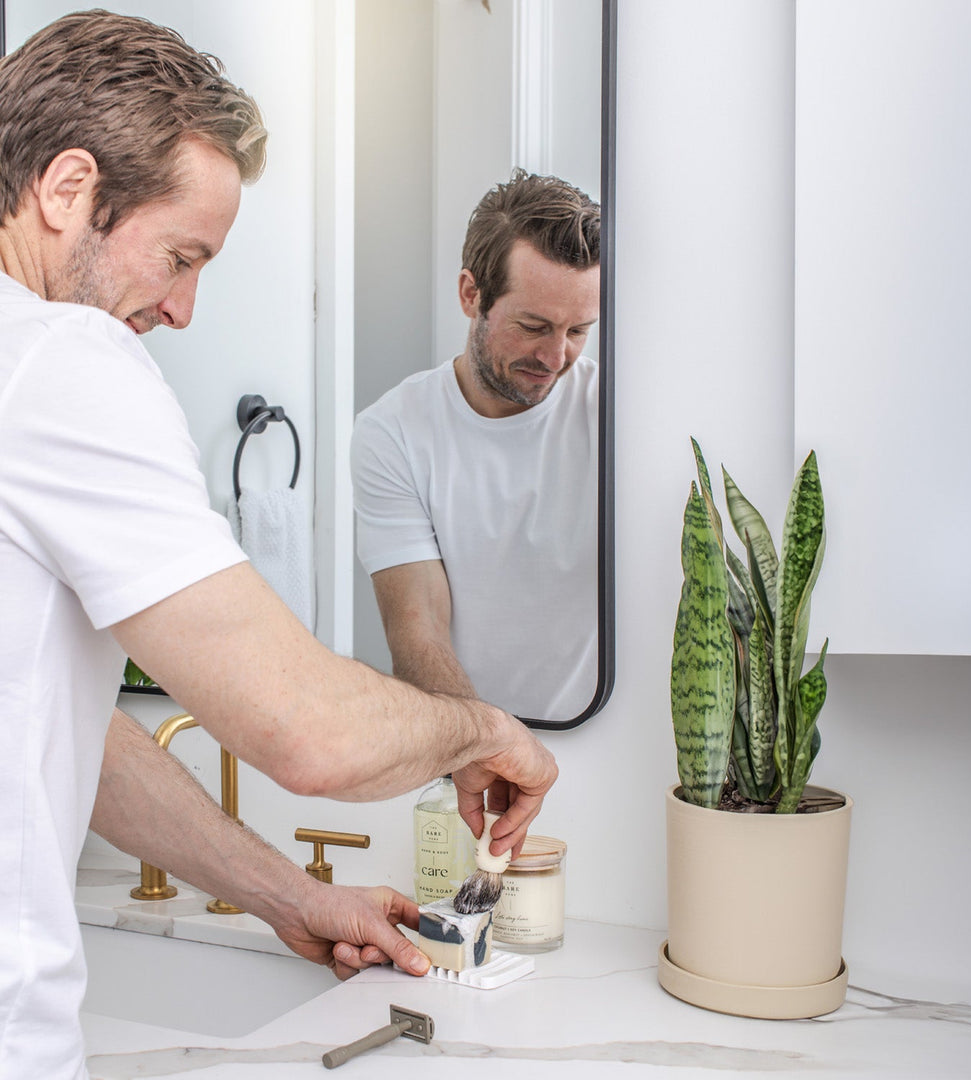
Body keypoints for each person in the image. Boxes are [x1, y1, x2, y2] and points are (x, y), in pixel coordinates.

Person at [0, 13, 557, 1079]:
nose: (183, 307)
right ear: (67, 189)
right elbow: (309, 734)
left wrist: (293, 896)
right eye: (180, 255)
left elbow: (70, 734)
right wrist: (484, 729)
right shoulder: (63, 359)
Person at [351, 171, 602, 720]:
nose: (556, 358)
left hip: (601, 743)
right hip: (470, 748)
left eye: (579, 331)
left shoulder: (615, 416)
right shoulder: (391, 433)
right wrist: (491, 750)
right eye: (533, 326)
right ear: (472, 294)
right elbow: (419, 633)